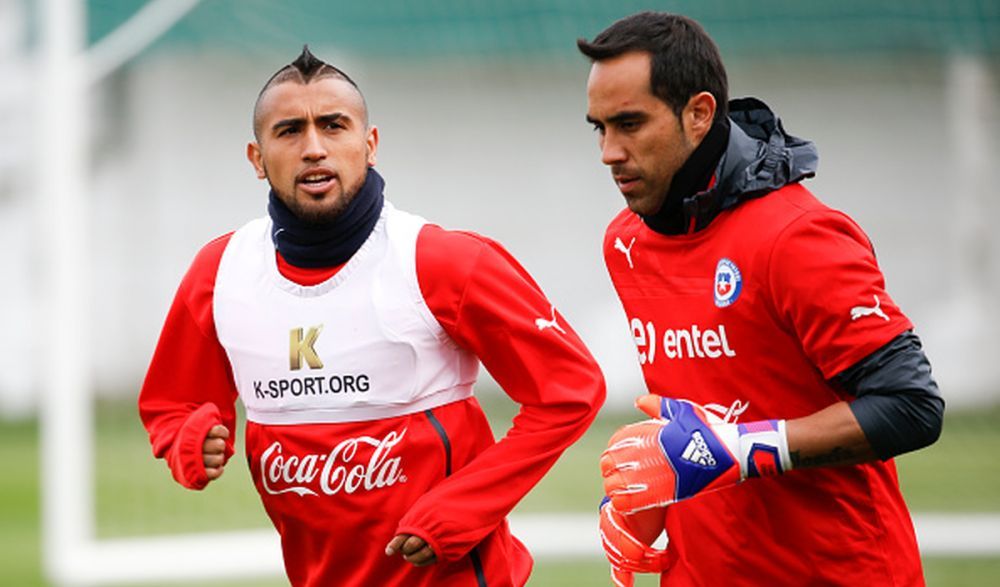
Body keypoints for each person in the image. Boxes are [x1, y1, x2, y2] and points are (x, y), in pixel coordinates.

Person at [138, 46, 606, 587]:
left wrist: (465, 507)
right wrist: (188, 439)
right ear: (256, 158)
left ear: (370, 144)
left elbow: (571, 389)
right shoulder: (222, 271)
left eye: (333, 126)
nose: (314, 148)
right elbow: (172, 404)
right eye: (289, 131)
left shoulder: (440, 261)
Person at [577, 12, 944, 587]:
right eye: (599, 128)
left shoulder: (797, 237)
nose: (609, 151)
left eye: (629, 124)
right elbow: (703, 418)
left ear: (699, 114)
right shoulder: (626, 242)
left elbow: (911, 407)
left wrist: (742, 448)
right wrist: (637, 505)